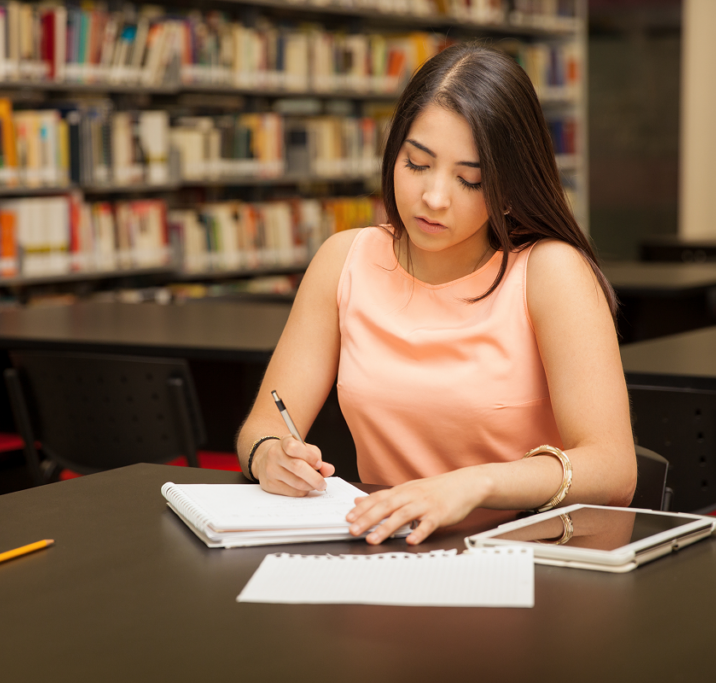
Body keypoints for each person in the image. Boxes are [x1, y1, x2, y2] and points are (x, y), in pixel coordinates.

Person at [235, 43, 637, 545]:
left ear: (509, 188)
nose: (434, 198)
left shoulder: (550, 272)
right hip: (388, 552)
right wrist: (270, 455)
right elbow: (262, 426)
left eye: (470, 180)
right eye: (417, 164)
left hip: (523, 560)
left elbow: (614, 469)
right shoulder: (345, 259)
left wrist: (472, 485)